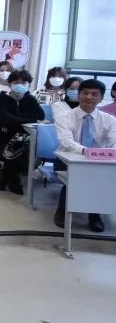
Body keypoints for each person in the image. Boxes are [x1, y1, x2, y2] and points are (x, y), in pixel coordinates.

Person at [53, 79, 116, 232]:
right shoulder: (64, 116)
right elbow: (67, 142)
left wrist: (106, 154)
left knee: (101, 178)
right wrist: (87, 152)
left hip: (99, 162)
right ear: (79, 94)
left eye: (94, 94)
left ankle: (95, 214)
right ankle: (63, 210)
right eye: (85, 93)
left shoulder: (109, 120)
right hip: (66, 159)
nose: (89, 97)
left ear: (101, 98)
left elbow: (114, 142)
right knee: (74, 176)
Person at [0, 70, 44, 195]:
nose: (20, 85)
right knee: (14, 152)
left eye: (23, 82)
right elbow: (3, 119)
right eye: (16, 82)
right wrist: (26, 120)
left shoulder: (30, 99)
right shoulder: (1, 99)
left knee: (23, 151)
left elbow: (40, 116)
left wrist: (14, 121)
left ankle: (4, 176)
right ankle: (13, 181)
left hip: (23, 141)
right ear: (10, 83)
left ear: (29, 84)